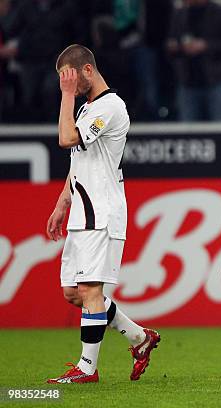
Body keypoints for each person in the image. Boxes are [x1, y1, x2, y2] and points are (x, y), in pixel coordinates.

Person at [46, 44, 160, 384]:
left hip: (101, 210)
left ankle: (87, 368)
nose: (67, 84)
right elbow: (79, 158)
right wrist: (63, 200)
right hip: (82, 211)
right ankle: (140, 338)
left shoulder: (110, 107)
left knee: (90, 290)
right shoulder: (89, 108)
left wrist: (66, 97)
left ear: (87, 70)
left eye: (68, 78)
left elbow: (67, 139)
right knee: (74, 292)